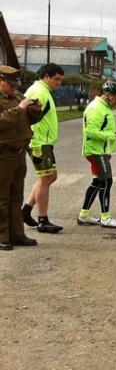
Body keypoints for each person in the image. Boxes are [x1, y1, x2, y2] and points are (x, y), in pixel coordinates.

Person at [0, 65, 43, 250]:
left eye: (16, 84)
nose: (15, 88)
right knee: (2, 198)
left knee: (17, 196)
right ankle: (2, 236)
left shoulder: (17, 96)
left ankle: (17, 234)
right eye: (11, 84)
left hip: (19, 154)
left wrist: (35, 111)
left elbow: (28, 121)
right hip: (3, 153)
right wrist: (19, 108)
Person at [77, 80, 116, 228]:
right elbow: (91, 132)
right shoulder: (97, 108)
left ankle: (84, 215)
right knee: (107, 181)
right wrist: (112, 136)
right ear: (108, 95)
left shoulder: (104, 107)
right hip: (96, 151)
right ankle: (105, 218)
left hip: (99, 150)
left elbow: (102, 130)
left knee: (98, 182)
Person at [21, 63, 65, 233]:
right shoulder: (38, 92)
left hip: (44, 142)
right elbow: (28, 117)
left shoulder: (43, 91)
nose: (59, 82)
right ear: (46, 76)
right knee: (46, 179)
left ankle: (25, 211)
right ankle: (43, 220)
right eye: (56, 79)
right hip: (38, 143)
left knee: (50, 177)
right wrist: (36, 143)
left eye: (60, 79)